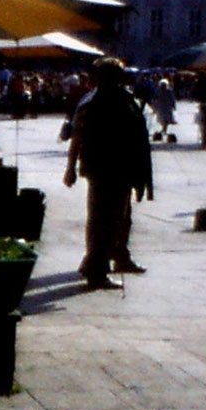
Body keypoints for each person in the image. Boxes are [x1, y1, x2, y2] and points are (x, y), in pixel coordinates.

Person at [62, 58, 153, 288]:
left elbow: (137, 136)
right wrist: (70, 168)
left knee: (120, 219)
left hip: (120, 170)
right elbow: (77, 138)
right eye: (118, 75)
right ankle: (96, 269)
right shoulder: (93, 103)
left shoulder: (123, 100)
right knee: (103, 221)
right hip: (103, 170)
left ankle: (118, 257)